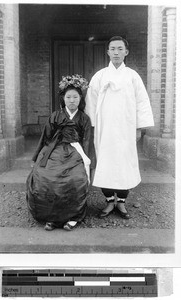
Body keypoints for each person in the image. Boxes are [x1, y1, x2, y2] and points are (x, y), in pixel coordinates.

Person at [85, 36, 154, 219]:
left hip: (126, 129)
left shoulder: (133, 76)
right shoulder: (100, 76)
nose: (116, 52)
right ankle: (108, 201)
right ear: (107, 52)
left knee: (125, 164)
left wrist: (139, 128)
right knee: (105, 163)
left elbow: (141, 102)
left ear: (126, 52)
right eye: (112, 49)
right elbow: (91, 102)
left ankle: (121, 202)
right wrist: (92, 126)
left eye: (119, 49)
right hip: (104, 129)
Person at [26, 74, 93, 231]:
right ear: (63, 98)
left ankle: (73, 217)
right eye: (68, 97)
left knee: (75, 179)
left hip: (75, 151)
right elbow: (45, 137)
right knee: (45, 177)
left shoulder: (84, 118)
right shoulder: (55, 116)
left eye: (75, 97)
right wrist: (36, 157)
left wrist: (88, 160)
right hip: (54, 149)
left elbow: (87, 141)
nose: (71, 100)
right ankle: (52, 218)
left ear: (80, 99)